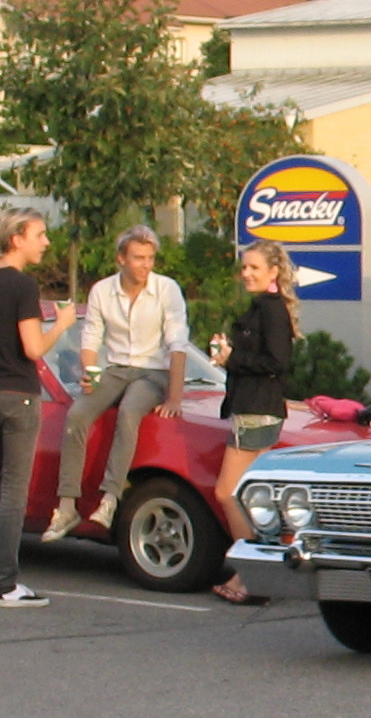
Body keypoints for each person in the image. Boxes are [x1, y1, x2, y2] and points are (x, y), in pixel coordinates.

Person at [0, 207, 79, 607]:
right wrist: (60, 324)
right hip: (20, 395)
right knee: (13, 491)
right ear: (17, 238)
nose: (45, 242)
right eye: (39, 235)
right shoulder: (22, 286)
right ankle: (5, 583)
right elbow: (33, 347)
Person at [41, 226, 191, 543]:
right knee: (77, 415)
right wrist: (89, 372)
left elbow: (178, 344)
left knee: (128, 412)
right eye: (138, 258)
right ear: (121, 258)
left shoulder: (167, 289)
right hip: (117, 367)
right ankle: (67, 505)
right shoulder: (102, 290)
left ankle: (110, 498)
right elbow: (91, 335)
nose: (146, 265)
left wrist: (175, 397)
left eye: (150, 258)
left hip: (153, 371)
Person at [206, 243, 300, 605]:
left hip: (256, 410)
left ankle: (251, 572)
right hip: (253, 408)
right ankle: (256, 571)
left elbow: (277, 361)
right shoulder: (263, 308)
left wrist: (234, 358)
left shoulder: (272, 311)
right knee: (249, 496)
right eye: (244, 267)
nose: (247, 273)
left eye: (254, 268)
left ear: (273, 271)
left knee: (227, 492)